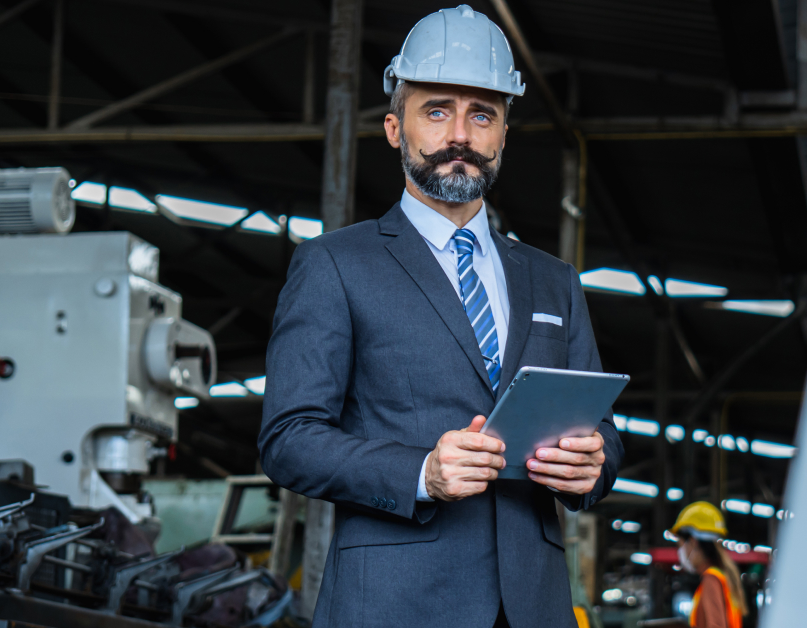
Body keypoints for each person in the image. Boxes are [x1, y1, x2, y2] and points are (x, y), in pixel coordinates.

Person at [257, 5, 624, 628]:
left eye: (482, 114)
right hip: (394, 604)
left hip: (533, 607)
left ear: (502, 134)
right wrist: (421, 472)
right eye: (436, 111)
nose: (460, 135)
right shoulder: (335, 264)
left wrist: (592, 467)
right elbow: (288, 439)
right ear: (394, 128)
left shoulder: (553, 280)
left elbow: (603, 433)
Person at [670, 502, 749, 628]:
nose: (681, 551)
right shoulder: (722, 578)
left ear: (693, 542)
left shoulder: (711, 580)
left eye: (680, 545)